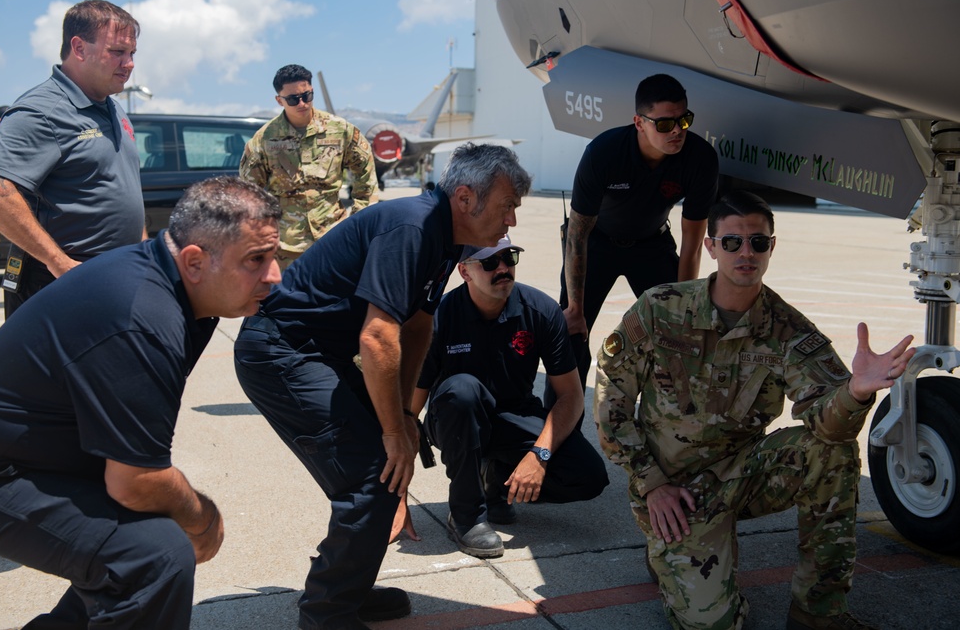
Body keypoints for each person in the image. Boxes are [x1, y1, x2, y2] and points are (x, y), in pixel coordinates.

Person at [0, 176, 282, 629]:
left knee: (138, 544)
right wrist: (203, 518)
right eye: (257, 260)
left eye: (275, 256)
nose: (274, 276)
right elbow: (137, 481)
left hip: (32, 455)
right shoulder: (142, 314)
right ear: (194, 261)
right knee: (154, 555)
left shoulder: (190, 293)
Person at [233, 143, 531, 629]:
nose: (511, 221)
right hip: (279, 351)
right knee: (373, 475)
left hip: (318, 352)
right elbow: (378, 336)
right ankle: (326, 614)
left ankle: (346, 590)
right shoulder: (413, 228)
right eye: (506, 207)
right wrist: (392, 431)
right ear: (464, 198)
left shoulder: (448, 236)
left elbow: (417, 328)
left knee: (386, 472)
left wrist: (406, 418)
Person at [594, 190, 916, 630]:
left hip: (740, 475)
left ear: (771, 247)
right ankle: (672, 556)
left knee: (831, 453)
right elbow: (611, 393)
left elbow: (828, 423)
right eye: (732, 242)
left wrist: (856, 392)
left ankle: (819, 615)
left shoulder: (788, 330)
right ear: (710, 247)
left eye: (758, 242)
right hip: (671, 491)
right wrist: (651, 484)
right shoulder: (660, 309)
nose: (746, 252)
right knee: (713, 624)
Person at [414, 234, 609, 559]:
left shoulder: (541, 311)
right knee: (462, 390)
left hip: (513, 416)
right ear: (464, 271)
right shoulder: (442, 316)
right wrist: (391, 483)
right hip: (454, 418)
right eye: (490, 262)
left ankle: (497, 480)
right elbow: (414, 397)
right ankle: (465, 515)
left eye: (509, 258)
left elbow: (571, 397)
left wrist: (538, 457)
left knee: (588, 476)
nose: (503, 268)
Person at [0, 0, 144, 318]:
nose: (129, 63)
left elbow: (122, 190)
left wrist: (140, 253)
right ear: (79, 48)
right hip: (59, 284)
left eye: (132, 53)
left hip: (112, 277)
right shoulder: (42, 111)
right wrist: (59, 262)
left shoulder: (114, 108)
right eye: (117, 52)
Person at [559, 73, 719, 394]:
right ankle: (564, 435)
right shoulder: (603, 153)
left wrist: (685, 307)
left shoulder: (700, 159)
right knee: (571, 337)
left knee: (678, 338)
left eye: (683, 120)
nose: (676, 131)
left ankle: (670, 425)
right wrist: (575, 309)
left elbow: (692, 245)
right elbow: (577, 236)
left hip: (652, 246)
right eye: (664, 124)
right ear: (639, 122)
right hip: (596, 244)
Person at [240, 63, 378, 269]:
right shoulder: (264, 139)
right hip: (286, 248)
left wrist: (357, 224)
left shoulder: (341, 130)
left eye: (307, 96)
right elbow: (249, 195)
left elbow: (366, 178)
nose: (302, 103)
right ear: (279, 100)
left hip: (334, 238)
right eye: (293, 99)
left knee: (336, 299)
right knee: (287, 300)